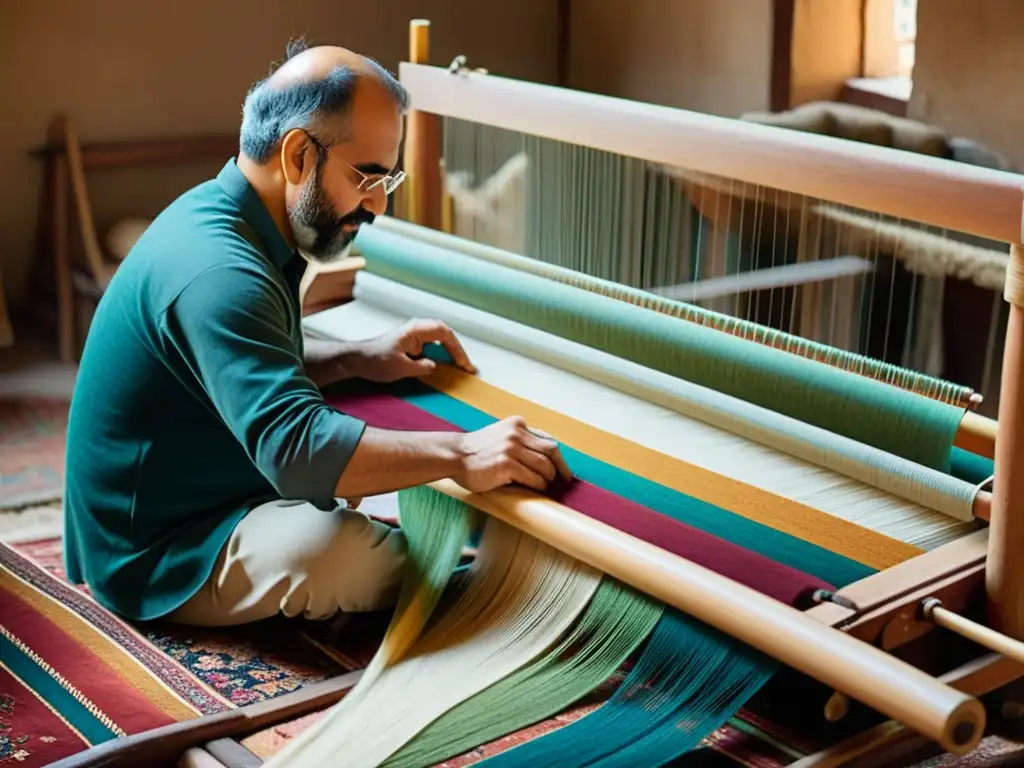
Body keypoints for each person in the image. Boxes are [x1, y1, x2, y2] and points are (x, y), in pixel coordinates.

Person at [63, 39, 570, 629]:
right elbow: (297, 451)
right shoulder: (220, 271)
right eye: (366, 176)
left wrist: (356, 356)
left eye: (388, 179)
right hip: (162, 550)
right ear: (299, 155)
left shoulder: (232, 221)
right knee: (343, 556)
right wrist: (463, 453)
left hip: (199, 486)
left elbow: (246, 364)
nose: (378, 204)